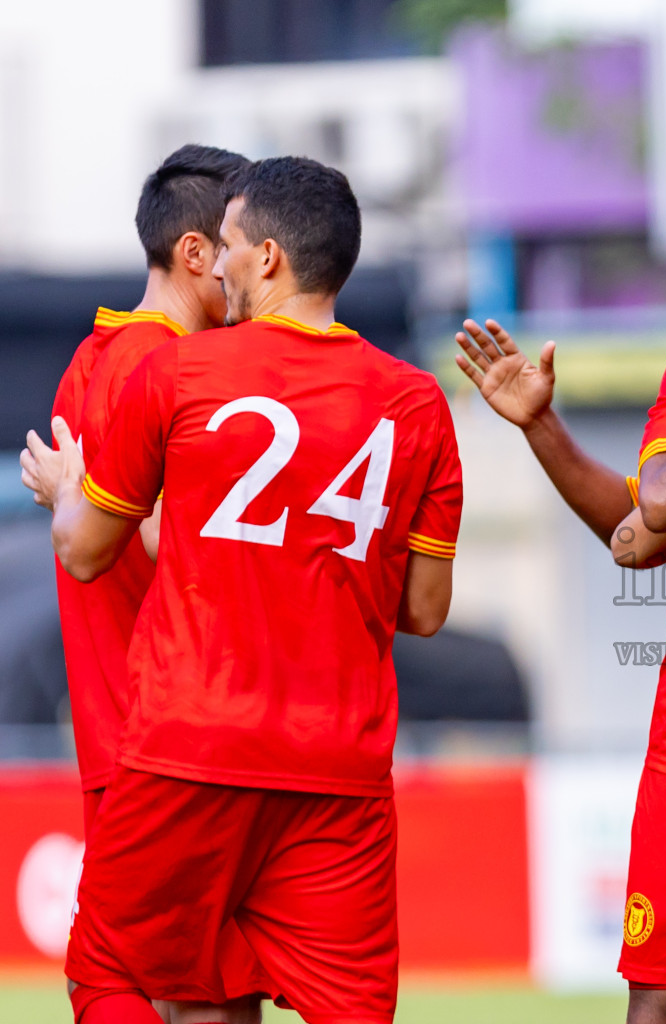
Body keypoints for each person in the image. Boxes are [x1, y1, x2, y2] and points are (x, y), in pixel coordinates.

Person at [20, 156, 462, 1024]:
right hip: (341, 764)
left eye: (227, 244)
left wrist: (68, 492)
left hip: (190, 744)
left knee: (106, 973)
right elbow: (424, 611)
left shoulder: (177, 372)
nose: (216, 265)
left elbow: (82, 554)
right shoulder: (416, 403)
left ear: (267, 258)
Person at [43, 143, 266, 1024]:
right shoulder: (165, 368)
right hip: (167, 728)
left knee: (178, 982)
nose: (261, 268)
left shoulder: (95, 358)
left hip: (135, 724)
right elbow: (139, 542)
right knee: (191, 988)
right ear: (198, 255)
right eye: (248, 244)